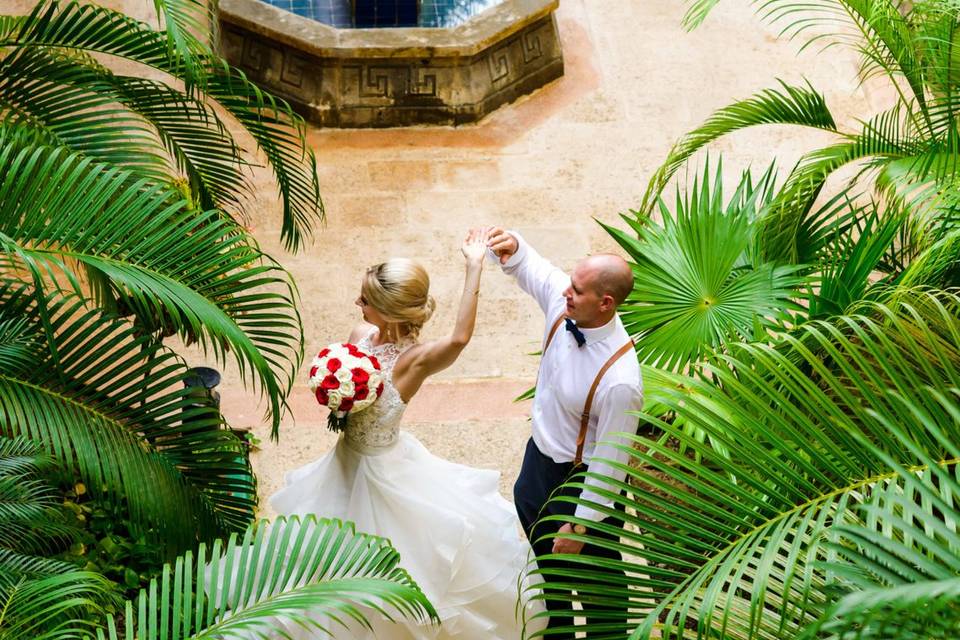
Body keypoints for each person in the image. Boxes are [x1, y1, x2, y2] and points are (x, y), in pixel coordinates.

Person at [269, 228, 545, 639]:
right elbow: (343, 391)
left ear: (387, 310)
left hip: (386, 471)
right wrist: (333, 394)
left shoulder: (414, 361)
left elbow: (460, 338)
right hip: (345, 463)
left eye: (364, 300)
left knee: (403, 568)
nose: (356, 304)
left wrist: (473, 266)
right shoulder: (359, 336)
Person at [487, 227, 643, 638]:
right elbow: (539, 271)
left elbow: (611, 461)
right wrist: (516, 247)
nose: (566, 292)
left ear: (605, 303)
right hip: (538, 466)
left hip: (580, 482)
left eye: (577, 289)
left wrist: (580, 525)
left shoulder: (621, 379)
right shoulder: (567, 307)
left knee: (598, 588)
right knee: (547, 579)